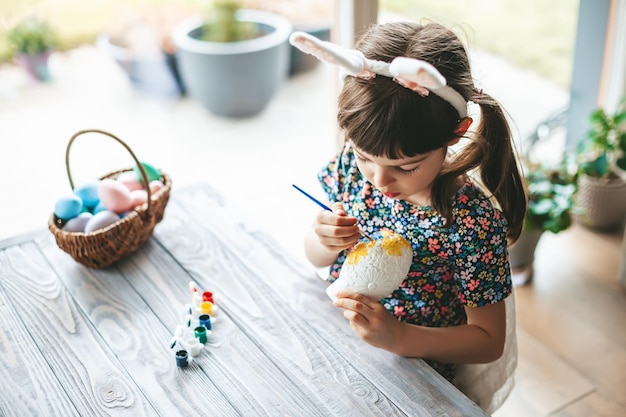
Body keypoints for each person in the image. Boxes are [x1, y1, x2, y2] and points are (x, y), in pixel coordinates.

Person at [291, 20, 527, 399]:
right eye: (365, 156)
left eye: (406, 167)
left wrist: (400, 338)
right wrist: (323, 239)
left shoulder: (469, 222)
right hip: (333, 336)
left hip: (414, 368)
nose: (380, 181)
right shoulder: (351, 170)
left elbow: (488, 341)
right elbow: (315, 258)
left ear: (456, 131)